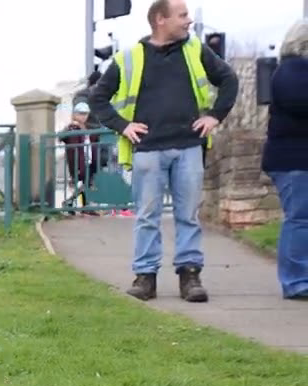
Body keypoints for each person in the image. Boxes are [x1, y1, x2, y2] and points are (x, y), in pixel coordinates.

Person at [88, 0, 238, 303]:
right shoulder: (129, 57)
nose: (189, 21)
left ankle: (190, 277)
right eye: (182, 15)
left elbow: (229, 80)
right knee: (147, 216)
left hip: (189, 146)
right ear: (160, 19)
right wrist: (122, 125)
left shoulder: (195, 50)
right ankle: (145, 278)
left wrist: (215, 116)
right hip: (148, 150)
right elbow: (98, 98)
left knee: (188, 216)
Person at [261, 19, 308, 300]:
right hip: (295, 162)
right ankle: (296, 281)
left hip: (296, 159)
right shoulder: (292, 71)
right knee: (300, 219)